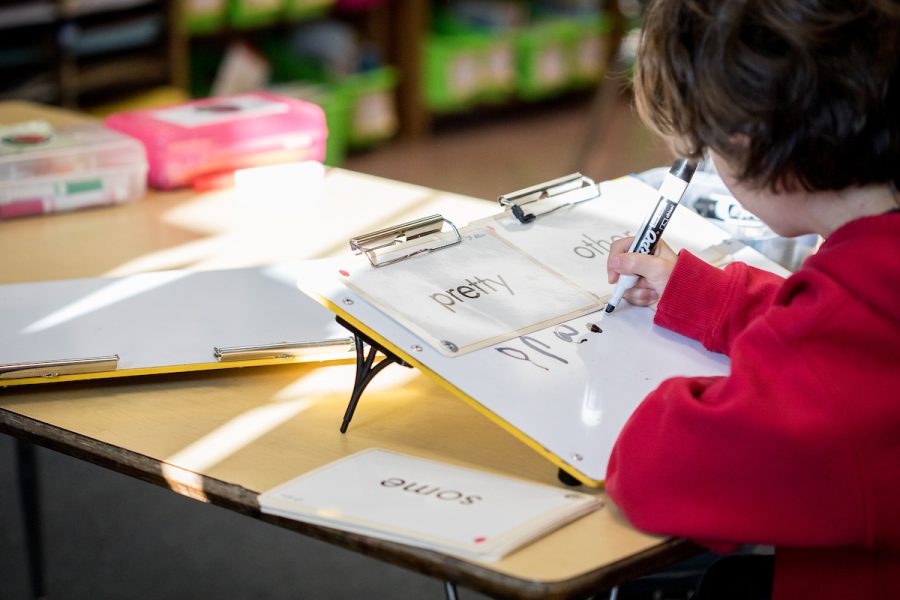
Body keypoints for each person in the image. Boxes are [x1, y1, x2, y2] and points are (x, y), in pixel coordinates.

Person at [603, 1, 900, 599]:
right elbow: (838, 335)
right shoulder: (872, 280)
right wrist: (711, 298)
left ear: (749, 143)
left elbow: (655, 471)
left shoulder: (836, 347)